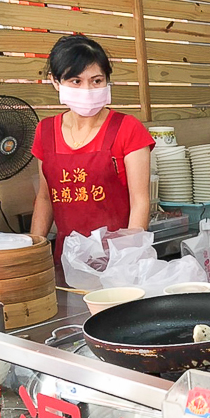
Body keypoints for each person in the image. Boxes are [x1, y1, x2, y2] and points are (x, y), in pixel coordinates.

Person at [31, 35, 152, 262]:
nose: (87, 89)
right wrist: (32, 252)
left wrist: (129, 258)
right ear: (55, 82)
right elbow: (45, 199)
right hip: (68, 260)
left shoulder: (128, 129)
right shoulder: (45, 131)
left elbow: (140, 201)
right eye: (76, 81)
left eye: (97, 81)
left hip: (119, 258)